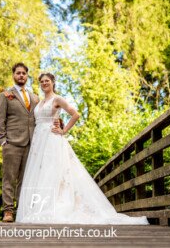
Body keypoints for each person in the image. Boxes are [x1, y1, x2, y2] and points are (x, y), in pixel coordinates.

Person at [15, 73, 149, 225]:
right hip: (39, 142)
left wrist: (64, 131)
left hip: (52, 140)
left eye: (47, 81)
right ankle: (39, 208)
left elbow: (75, 114)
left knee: (53, 172)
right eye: (42, 81)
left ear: (53, 83)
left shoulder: (57, 99)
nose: (44, 83)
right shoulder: (39, 103)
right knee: (40, 174)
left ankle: (55, 207)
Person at [0, 63, 38, 222]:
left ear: (27, 76)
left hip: (31, 144)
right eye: (18, 73)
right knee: (9, 178)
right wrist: (2, 141)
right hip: (11, 143)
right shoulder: (6, 95)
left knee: (25, 180)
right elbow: (0, 119)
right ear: (13, 75)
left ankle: (22, 210)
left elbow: (40, 117)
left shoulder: (34, 97)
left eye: (24, 73)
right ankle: (8, 211)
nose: (21, 75)